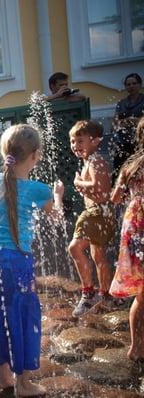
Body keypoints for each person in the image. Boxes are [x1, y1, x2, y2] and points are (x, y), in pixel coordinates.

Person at [0, 124, 64, 396]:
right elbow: (57, 217)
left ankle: (1, 377)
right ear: (35, 156)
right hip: (17, 260)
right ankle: (24, 383)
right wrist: (58, 196)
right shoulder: (39, 189)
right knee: (22, 315)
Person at [67, 120, 117, 317]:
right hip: (101, 213)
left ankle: (88, 294)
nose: (75, 146)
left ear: (95, 141)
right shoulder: (90, 160)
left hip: (98, 212)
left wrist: (79, 182)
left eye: (80, 141)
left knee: (75, 247)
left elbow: (101, 189)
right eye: (73, 142)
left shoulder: (96, 160)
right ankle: (105, 295)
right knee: (99, 256)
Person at [110, 118, 144, 362]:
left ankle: (136, 348)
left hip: (135, 226)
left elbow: (114, 198)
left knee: (141, 294)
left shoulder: (131, 166)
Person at [112, 73, 144, 180]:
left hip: (140, 138)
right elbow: (115, 122)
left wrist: (136, 121)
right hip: (123, 140)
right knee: (120, 167)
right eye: (128, 84)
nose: (131, 86)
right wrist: (125, 122)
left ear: (140, 85)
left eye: (134, 83)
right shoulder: (121, 103)